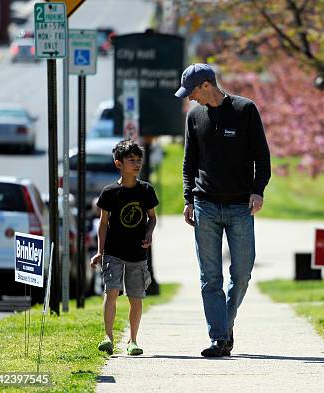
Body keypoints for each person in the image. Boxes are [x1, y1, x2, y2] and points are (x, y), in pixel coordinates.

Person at [175, 63, 271, 357]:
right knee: (210, 278)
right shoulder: (194, 117)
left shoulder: (245, 110)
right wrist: (188, 199)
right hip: (205, 205)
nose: (189, 99)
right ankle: (219, 338)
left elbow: (262, 158)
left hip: (240, 206)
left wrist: (258, 190)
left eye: (191, 92)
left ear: (205, 85)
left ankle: (223, 325)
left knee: (242, 274)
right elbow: (189, 164)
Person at [90, 139, 159, 356]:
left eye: (139, 160)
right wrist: (100, 251)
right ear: (118, 163)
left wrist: (148, 234)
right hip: (113, 251)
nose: (137, 164)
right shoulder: (110, 192)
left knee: (135, 297)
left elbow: (152, 219)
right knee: (111, 292)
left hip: (138, 253)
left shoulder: (146, 190)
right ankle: (108, 337)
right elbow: (102, 224)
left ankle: (133, 340)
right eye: (131, 160)